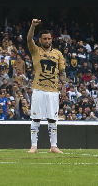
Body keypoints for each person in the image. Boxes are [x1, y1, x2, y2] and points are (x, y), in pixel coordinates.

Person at [27, 19, 64, 154]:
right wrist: (32, 26)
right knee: (36, 117)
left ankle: (53, 146)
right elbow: (29, 38)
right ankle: (34, 146)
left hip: (53, 90)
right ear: (40, 40)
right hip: (38, 88)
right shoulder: (35, 51)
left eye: (49, 38)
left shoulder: (58, 54)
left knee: (52, 118)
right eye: (44, 38)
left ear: (51, 40)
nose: (47, 40)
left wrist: (64, 87)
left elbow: (62, 72)